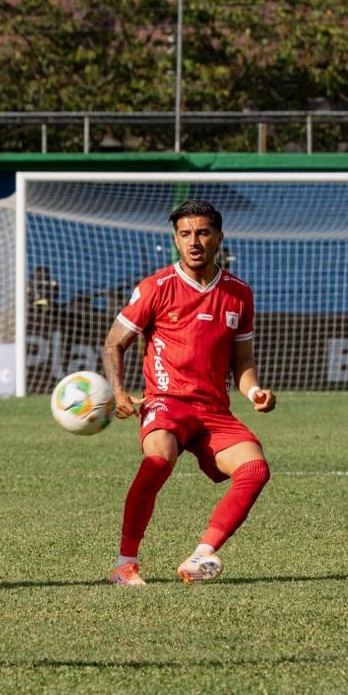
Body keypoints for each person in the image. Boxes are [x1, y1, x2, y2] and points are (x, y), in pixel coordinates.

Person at [101, 199, 275, 586]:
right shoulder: (155, 287)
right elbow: (114, 343)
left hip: (213, 411)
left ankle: (201, 555)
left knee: (255, 469)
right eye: (185, 234)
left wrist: (254, 392)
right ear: (176, 240)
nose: (194, 241)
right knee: (158, 460)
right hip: (167, 402)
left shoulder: (239, 293)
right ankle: (124, 565)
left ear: (218, 238)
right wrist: (119, 391)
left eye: (202, 233)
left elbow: (242, 362)